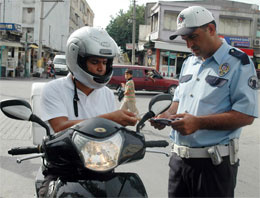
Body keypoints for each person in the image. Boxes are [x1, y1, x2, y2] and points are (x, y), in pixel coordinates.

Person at [150, 6, 258, 198]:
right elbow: (177, 102)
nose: (190, 45)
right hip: (179, 162)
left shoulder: (238, 62)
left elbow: (246, 115)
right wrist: (166, 116)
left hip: (213, 165)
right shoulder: (189, 63)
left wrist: (198, 123)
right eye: (185, 40)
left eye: (194, 37)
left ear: (211, 29)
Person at [38, 26, 138, 197]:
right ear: (76, 59)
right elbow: (60, 127)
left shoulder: (106, 94)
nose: (101, 68)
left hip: (102, 170)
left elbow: (110, 135)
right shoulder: (53, 89)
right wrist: (109, 118)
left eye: (105, 62)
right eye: (95, 62)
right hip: (64, 169)